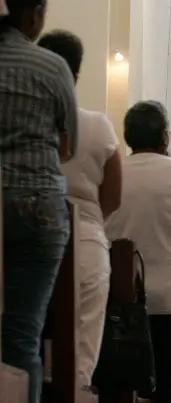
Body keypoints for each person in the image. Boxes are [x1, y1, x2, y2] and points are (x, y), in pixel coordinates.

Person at [0, 0, 78, 403]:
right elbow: (68, 147)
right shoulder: (52, 66)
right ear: (32, 15)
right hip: (37, 207)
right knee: (24, 334)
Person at [36, 30, 122, 394]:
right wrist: (87, 223)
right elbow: (114, 195)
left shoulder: (23, 121)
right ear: (76, 75)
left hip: (28, 235)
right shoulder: (98, 125)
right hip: (85, 240)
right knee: (82, 350)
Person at [105, 100, 171, 403]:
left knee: (118, 385)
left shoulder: (113, 172)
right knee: (166, 385)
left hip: (121, 300)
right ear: (163, 137)